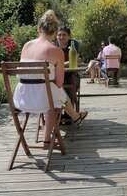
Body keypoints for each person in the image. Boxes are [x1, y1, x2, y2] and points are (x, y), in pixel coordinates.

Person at [13, 10, 88, 145]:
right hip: (43, 101)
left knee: (51, 94)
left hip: (21, 99)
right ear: (54, 33)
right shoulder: (55, 51)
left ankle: (73, 119)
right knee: (55, 95)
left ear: (38, 28)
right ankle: (49, 139)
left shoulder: (26, 46)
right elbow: (59, 83)